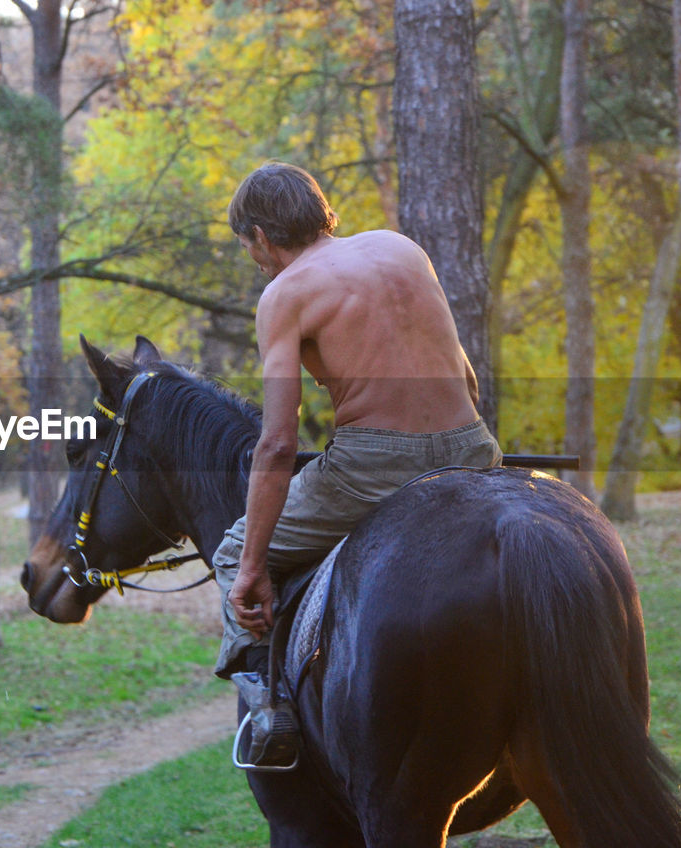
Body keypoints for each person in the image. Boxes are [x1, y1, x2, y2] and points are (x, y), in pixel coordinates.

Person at [216, 162, 502, 766]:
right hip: (474, 446)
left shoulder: (284, 296)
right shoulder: (401, 249)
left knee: (232, 551)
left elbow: (276, 444)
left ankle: (271, 707)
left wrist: (251, 565)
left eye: (249, 248)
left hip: (374, 465)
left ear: (262, 237)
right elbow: (466, 376)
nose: (255, 261)